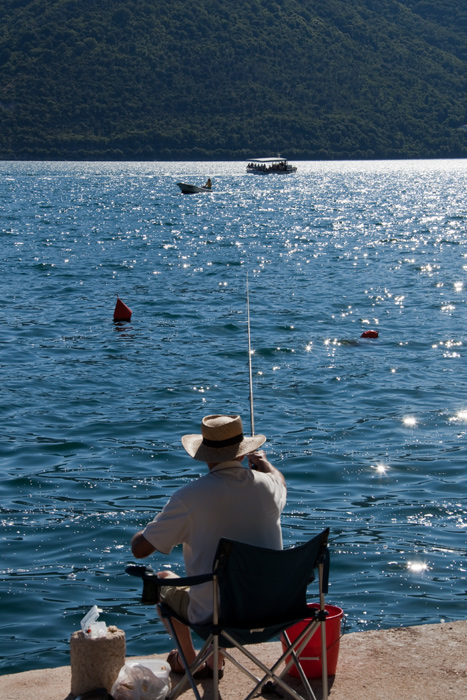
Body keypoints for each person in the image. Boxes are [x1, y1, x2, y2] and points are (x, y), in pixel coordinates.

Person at [131, 414, 286, 678]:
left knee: (163, 580)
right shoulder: (271, 487)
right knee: (225, 581)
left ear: (205, 455)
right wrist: (264, 463)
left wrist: (145, 532)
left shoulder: (189, 497)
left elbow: (141, 550)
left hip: (219, 618)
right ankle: (215, 662)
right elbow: (280, 481)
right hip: (277, 610)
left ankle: (190, 661)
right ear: (242, 453)